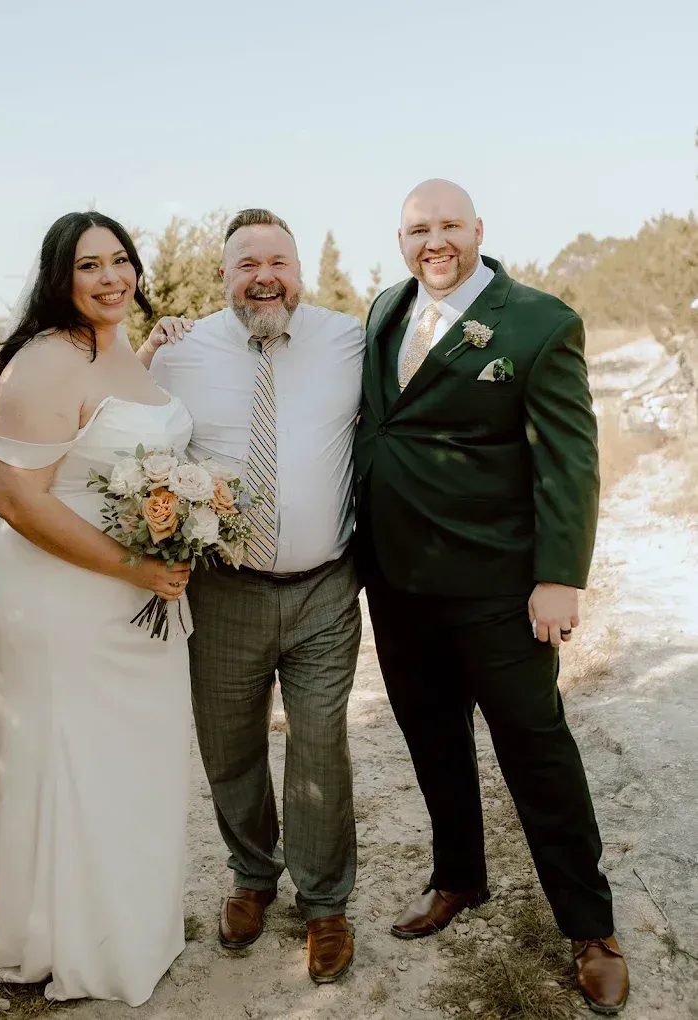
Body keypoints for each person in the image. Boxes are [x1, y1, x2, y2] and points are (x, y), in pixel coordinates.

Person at [353, 179, 629, 1015]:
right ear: (399, 240)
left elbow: (569, 461)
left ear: (478, 229)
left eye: (447, 226)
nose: (432, 242)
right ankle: (458, 878)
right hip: (397, 585)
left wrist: (558, 579)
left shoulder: (539, 322)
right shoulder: (382, 312)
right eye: (415, 229)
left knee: (536, 752)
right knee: (432, 742)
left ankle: (591, 928)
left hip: (500, 590)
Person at [0, 212, 193, 1006]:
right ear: (59, 277)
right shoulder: (44, 360)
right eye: (89, 265)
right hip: (60, 597)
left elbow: (111, 431)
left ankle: (132, 929)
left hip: (137, 596)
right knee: (75, 762)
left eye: (121, 260)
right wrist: (137, 565)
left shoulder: (119, 344)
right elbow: (17, 499)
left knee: (135, 762)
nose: (110, 277)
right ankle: (72, 944)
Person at [138, 208, 364, 983]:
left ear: (299, 271)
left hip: (326, 589)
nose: (264, 276)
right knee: (229, 745)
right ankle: (252, 877)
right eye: (246, 264)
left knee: (320, 745)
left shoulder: (350, 340)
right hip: (225, 592)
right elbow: (130, 444)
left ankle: (326, 902)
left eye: (278, 261)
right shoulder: (180, 353)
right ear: (224, 278)